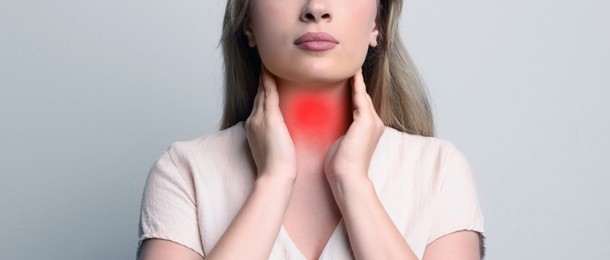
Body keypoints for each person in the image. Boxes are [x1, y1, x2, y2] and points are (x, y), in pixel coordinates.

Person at [136, 0, 486, 259]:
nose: (316, 8)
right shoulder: (184, 171)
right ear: (248, 24)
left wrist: (352, 182)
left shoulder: (439, 171)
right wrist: (272, 181)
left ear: (378, 21)